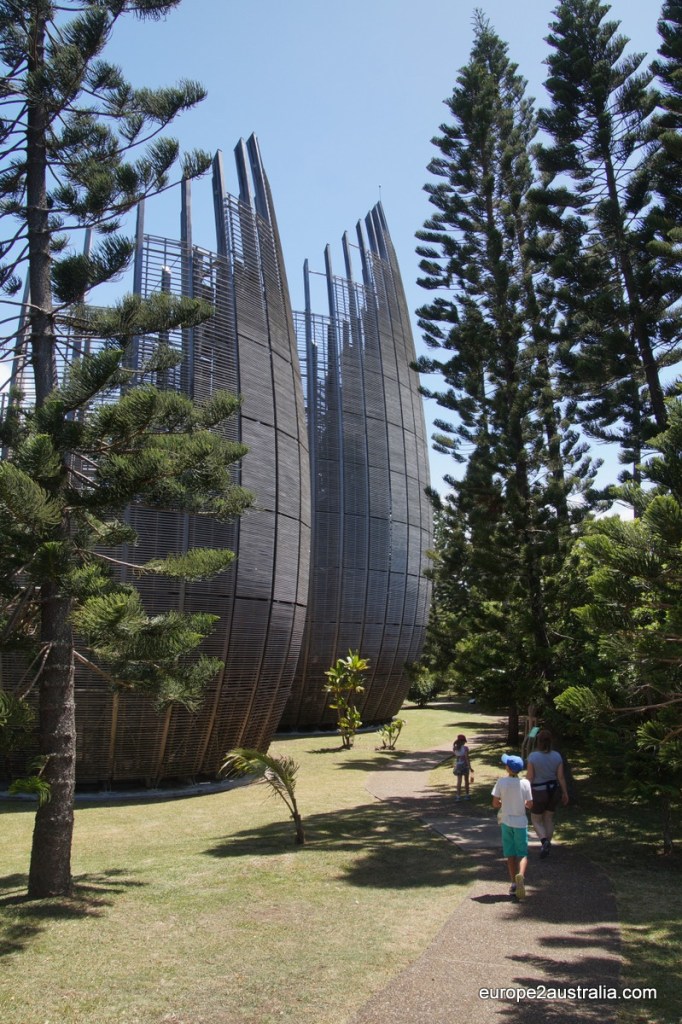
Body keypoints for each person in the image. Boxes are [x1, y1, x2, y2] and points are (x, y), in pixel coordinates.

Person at [492, 753, 533, 900]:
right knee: (522, 853)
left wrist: (504, 803)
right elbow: (529, 804)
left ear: (508, 768)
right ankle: (520, 875)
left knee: (510, 853)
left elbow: (495, 803)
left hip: (506, 821)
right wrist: (522, 804)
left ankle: (513, 883)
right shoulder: (525, 783)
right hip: (520, 822)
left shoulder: (501, 782)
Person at [526, 728, 569, 858]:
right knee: (548, 818)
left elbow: (530, 777)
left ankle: (544, 841)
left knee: (536, 819)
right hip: (554, 790)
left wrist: (526, 793)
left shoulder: (533, 756)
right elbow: (561, 777)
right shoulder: (557, 755)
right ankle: (547, 844)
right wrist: (565, 792)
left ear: (538, 742)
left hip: (538, 791)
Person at [452, 733, 473, 801]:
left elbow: (456, 757)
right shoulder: (465, 748)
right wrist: (470, 767)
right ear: (463, 741)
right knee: (466, 780)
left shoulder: (455, 748)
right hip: (464, 765)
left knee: (459, 781)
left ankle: (458, 796)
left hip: (458, 765)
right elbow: (467, 758)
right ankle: (467, 795)